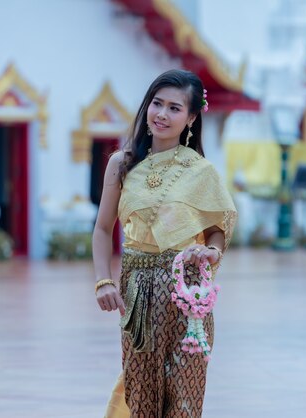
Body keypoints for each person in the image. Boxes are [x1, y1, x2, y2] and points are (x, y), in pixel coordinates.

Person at [92, 69, 237, 417]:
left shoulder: (200, 171)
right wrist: (103, 280)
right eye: (157, 104)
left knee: (185, 396)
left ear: (191, 117)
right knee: (142, 397)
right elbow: (101, 229)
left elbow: (218, 228)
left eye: (175, 108)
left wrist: (212, 251)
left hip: (187, 294)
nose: (162, 114)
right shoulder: (122, 164)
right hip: (137, 291)